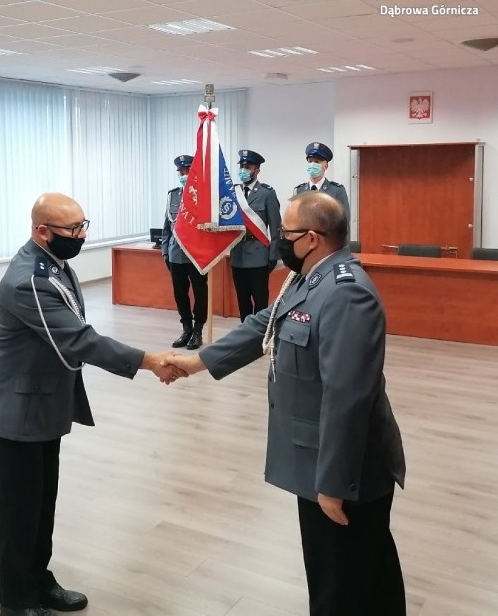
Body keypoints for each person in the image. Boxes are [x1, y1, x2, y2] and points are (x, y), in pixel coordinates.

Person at [168, 191, 406, 616]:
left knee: (343, 584)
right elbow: (265, 323)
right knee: (356, 570)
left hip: (345, 471)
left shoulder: (346, 294)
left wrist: (333, 482)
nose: (279, 239)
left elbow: (347, 398)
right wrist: (196, 362)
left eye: (285, 233)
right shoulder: (307, 278)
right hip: (318, 460)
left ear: (312, 238)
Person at [0, 193, 183, 616]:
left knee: (41, 501)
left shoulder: (54, 265)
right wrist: (148, 360)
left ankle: (39, 580)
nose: (81, 236)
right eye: (73, 230)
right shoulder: (28, 280)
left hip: (41, 405)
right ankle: (16, 603)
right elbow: (80, 339)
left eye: (83, 225)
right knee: (20, 513)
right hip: (14, 412)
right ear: (42, 232)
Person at [161, 154, 207, 350]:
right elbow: (166, 227)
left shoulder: (203, 195)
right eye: (180, 172)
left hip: (196, 254)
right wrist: (165, 252)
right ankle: (186, 329)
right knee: (180, 294)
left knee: (200, 292)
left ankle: (198, 331)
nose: (183, 175)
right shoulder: (173, 195)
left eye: (187, 172)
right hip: (175, 254)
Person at [230, 149, 282, 321]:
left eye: (248, 167)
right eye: (242, 166)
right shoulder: (232, 192)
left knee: (260, 301)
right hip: (237, 254)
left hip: (259, 255)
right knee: (242, 300)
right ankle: (245, 334)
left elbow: (275, 227)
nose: (244, 170)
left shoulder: (267, 193)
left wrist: (273, 255)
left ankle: (259, 338)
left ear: (257, 170)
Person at [294, 142, 350, 224]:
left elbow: (344, 223)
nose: (313, 165)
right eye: (310, 162)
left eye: (317, 162)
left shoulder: (337, 191)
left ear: (326, 166)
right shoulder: (299, 191)